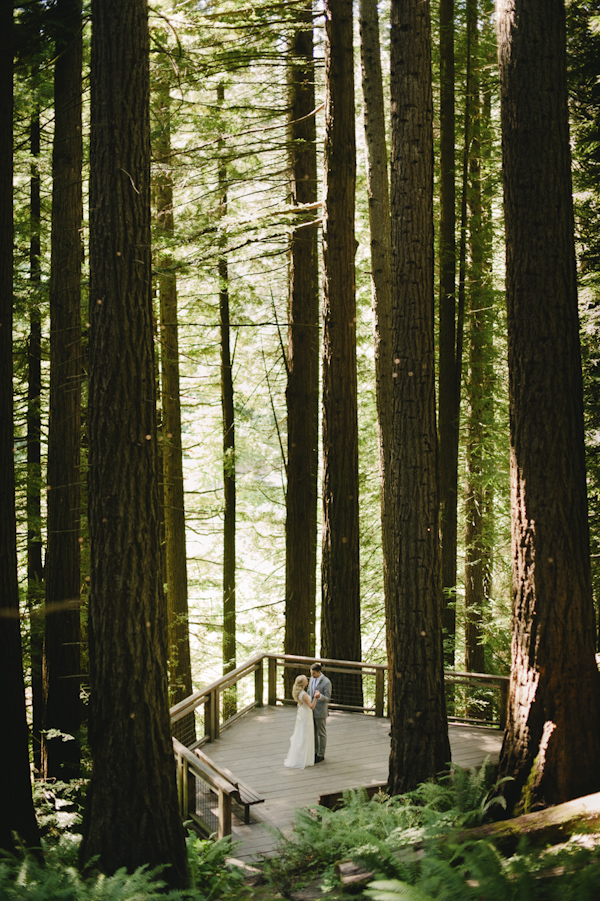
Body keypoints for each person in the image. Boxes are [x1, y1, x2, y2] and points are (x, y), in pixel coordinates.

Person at [284, 675, 320, 769]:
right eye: (306, 680)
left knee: (301, 734)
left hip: (303, 713)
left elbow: (299, 705)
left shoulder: (299, 693)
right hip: (306, 714)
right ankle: (304, 759)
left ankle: (303, 757)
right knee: (306, 735)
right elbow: (311, 706)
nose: (307, 681)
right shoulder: (303, 694)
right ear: (303, 683)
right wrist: (316, 697)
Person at [309, 663, 332, 763]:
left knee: (321, 733)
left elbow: (327, 698)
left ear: (319, 672)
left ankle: (321, 754)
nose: (312, 675)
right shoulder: (311, 679)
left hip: (320, 711)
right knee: (313, 732)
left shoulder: (326, 682)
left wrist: (320, 696)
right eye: (311, 673)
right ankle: (314, 751)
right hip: (311, 709)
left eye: (314, 673)